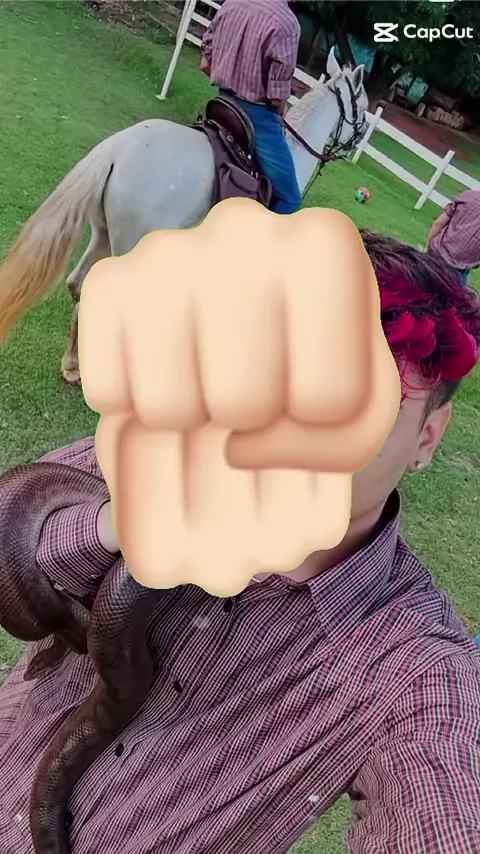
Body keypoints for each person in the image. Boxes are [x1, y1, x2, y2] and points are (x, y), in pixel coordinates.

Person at [1, 233, 480, 853]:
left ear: (427, 437)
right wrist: (124, 523)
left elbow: (445, 806)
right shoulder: (156, 452)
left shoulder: (414, 671)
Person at [200, 0, 303, 215]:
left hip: (222, 103)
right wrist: (279, 108)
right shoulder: (287, 23)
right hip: (256, 117)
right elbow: (276, 98)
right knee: (290, 198)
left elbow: (205, 64)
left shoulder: (233, 3)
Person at [427, 188, 480, 283]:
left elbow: (438, 223)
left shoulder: (469, 195)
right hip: (459, 270)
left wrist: (428, 246)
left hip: (435, 254)